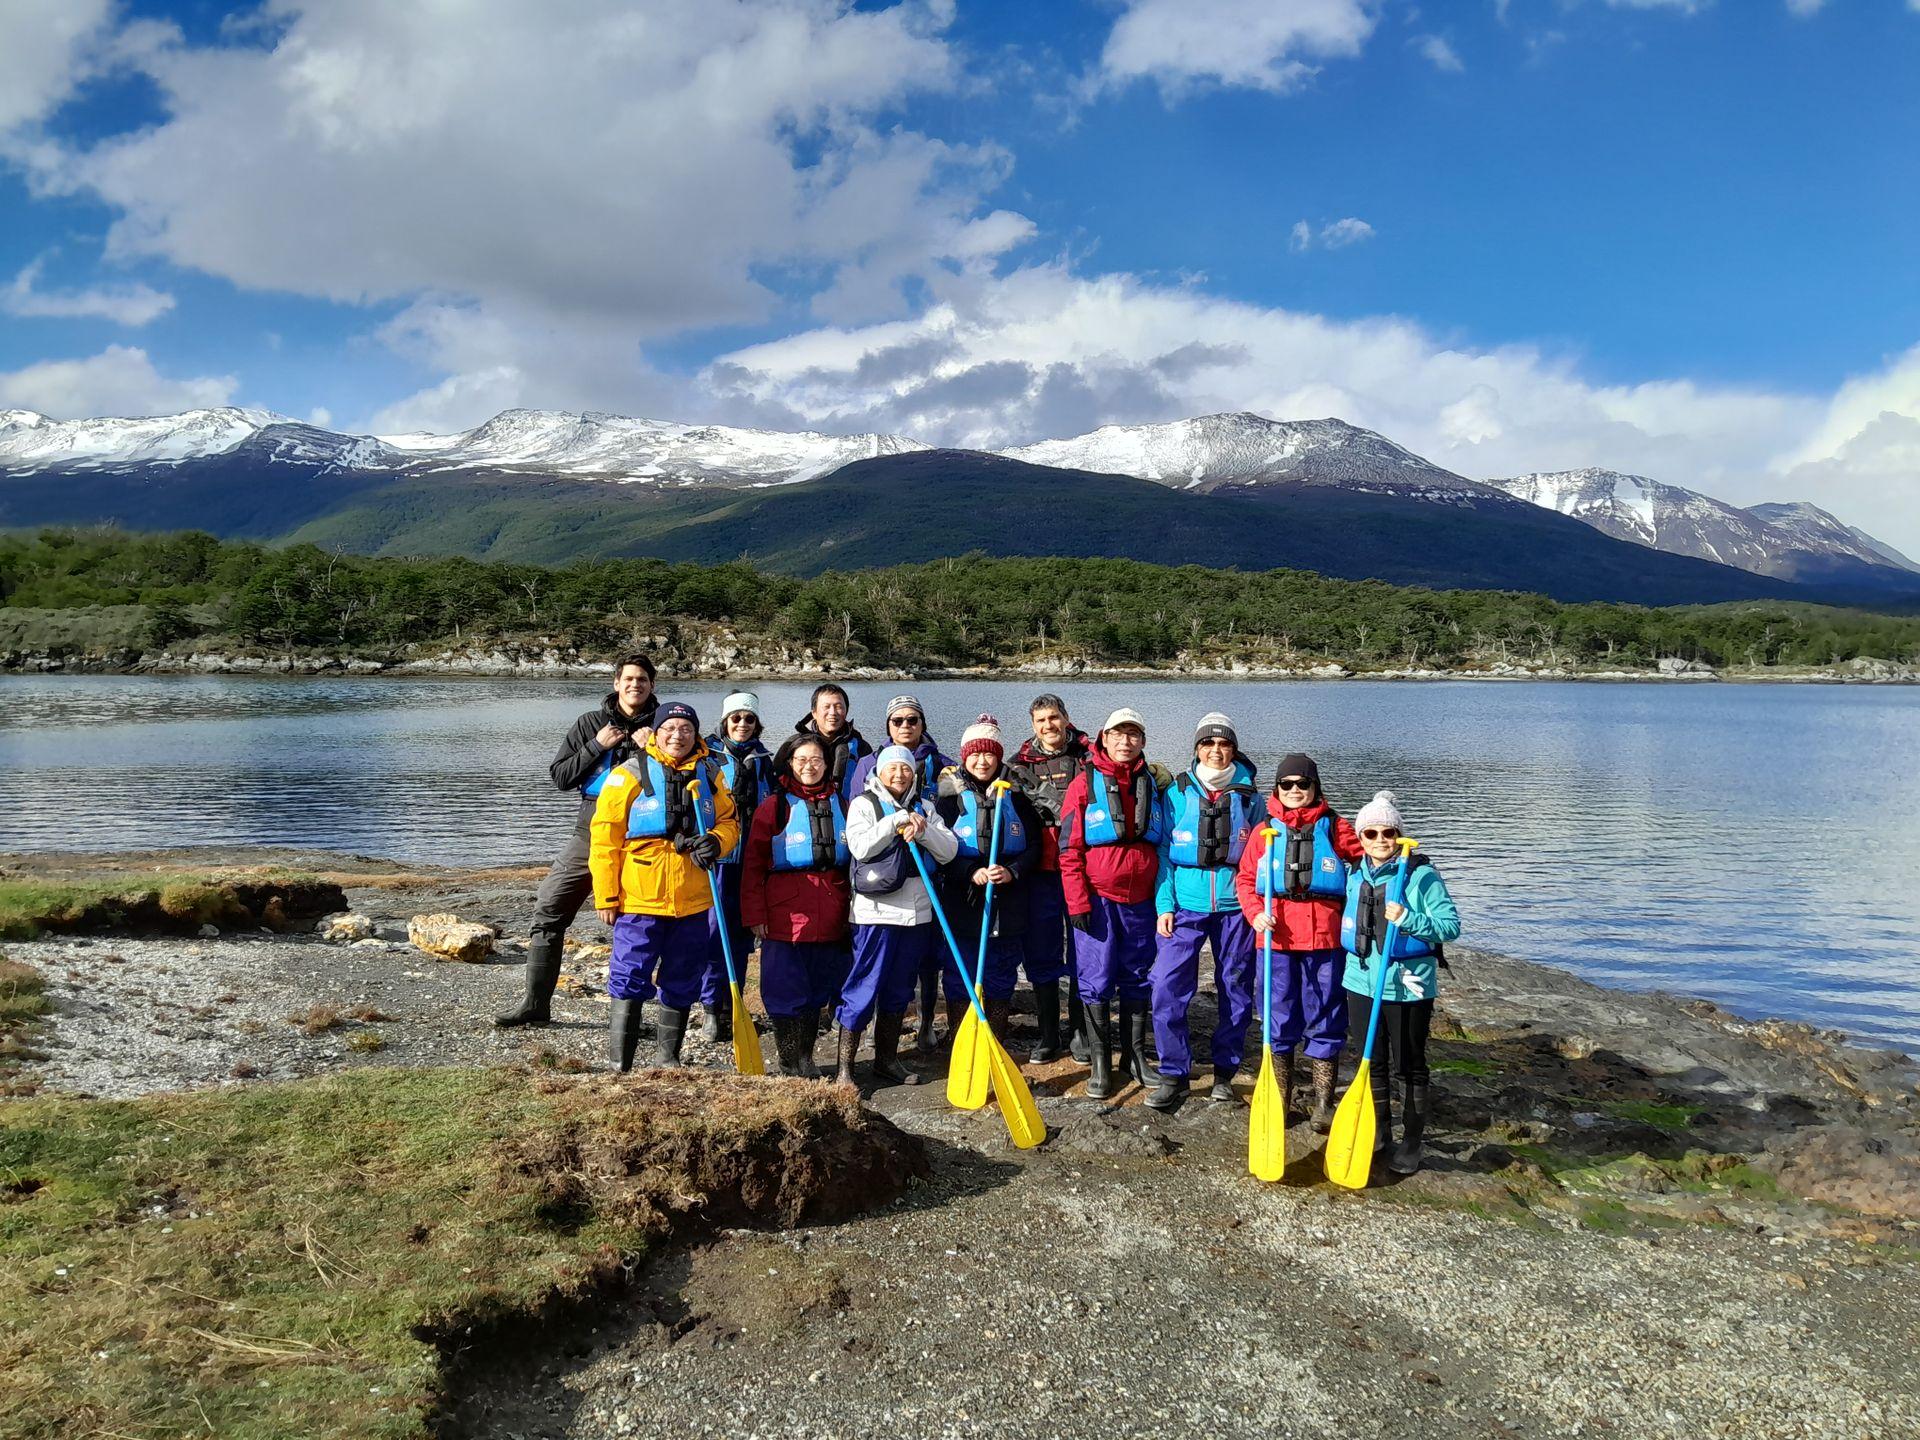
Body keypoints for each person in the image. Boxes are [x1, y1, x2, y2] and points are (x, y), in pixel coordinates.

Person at [499, 653, 659, 1028]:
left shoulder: (664, 725)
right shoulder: (590, 723)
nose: (635, 685)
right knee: (549, 910)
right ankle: (535, 1005)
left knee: (640, 924)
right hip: (590, 831)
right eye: (629, 679)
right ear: (616, 683)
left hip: (643, 836)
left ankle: (631, 1018)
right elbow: (560, 777)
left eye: (643, 680)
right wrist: (596, 746)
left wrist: (652, 748)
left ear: (653, 685)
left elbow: (684, 777)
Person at [589, 702, 738, 1070]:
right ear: (656, 732)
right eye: (669, 728)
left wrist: (718, 841)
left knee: (683, 976)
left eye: (685, 729)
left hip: (692, 899)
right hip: (640, 898)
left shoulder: (711, 775)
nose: (678, 735)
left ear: (695, 733)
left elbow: (731, 822)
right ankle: (618, 1062)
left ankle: (667, 1058)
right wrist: (606, 896)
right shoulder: (629, 774)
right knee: (629, 975)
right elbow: (604, 840)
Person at [1235, 753, 1364, 1132]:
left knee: (1326, 1014)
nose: (1294, 790)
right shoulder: (1264, 832)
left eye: (1302, 784)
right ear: (1276, 788)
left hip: (1325, 938)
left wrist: (1407, 859)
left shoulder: (1335, 827)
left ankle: (1324, 1102)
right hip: (1276, 939)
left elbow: (1368, 855)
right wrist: (1255, 913)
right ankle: (1280, 1098)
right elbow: (1245, 881)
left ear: (1314, 787)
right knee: (1279, 1016)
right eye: (1286, 784)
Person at [1339, 791, 1460, 1175]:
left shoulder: (1421, 875)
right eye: (1370, 834)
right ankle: (1380, 1131)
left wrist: (1408, 918)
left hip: (1408, 986)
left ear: (1399, 833)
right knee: (1369, 1060)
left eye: (1387, 832)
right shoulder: (1355, 873)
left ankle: (1412, 1140)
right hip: (1360, 982)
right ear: (1360, 839)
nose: (1379, 841)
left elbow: (1450, 926)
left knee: (1409, 1064)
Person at [1146, 713, 1262, 1111]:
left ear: (1234, 748)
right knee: (1165, 986)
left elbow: (1265, 855)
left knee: (1235, 986)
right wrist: (1164, 904)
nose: (1216, 750)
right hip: (1185, 905)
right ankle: (1173, 1072)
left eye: (1224, 743)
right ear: (1196, 749)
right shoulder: (1177, 792)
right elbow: (1163, 852)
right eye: (1207, 744)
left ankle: (1225, 1073)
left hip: (1235, 909)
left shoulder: (1250, 797)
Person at [1058, 707, 1166, 1099]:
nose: (1126, 741)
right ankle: (1101, 1062)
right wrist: (1077, 902)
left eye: (1134, 734)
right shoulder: (1084, 785)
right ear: (1103, 738)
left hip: (1141, 900)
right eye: (1118, 734)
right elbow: (1068, 850)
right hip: (1098, 900)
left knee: (1138, 974)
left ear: (1142, 741)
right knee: (1095, 977)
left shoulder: (1154, 783)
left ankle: (1134, 1057)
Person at [838, 744, 960, 1088]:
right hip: (875, 914)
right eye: (892, 768)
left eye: (905, 769)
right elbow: (859, 847)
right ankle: (845, 1069)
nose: (899, 774)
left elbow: (949, 851)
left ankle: (886, 1061)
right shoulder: (864, 804)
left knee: (899, 990)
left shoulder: (925, 807)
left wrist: (924, 830)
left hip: (916, 914)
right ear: (879, 771)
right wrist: (895, 821)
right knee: (864, 986)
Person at [740, 732, 853, 1078]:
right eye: (801, 760)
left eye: (816, 760)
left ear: (827, 764)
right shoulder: (775, 806)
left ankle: (806, 1058)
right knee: (784, 988)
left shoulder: (843, 803)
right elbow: (754, 866)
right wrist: (755, 915)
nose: (809, 766)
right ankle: (789, 1061)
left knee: (818, 989)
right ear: (789, 763)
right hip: (785, 914)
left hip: (831, 908)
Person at [933, 715, 1044, 1048]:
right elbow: (939, 853)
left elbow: (1035, 846)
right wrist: (969, 872)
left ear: (999, 756)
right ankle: (960, 1043)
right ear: (965, 757)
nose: (982, 761)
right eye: (974, 755)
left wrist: (1012, 871)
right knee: (959, 976)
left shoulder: (1018, 798)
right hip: (964, 900)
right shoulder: (949, 801)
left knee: (1000, 976)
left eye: (989, 754)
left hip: (1007, 903)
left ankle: (994, 1041)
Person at [1008, 693, 1092, 1063]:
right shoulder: (1016, 766)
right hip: (1039, 873)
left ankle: (1079, 1030)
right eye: (1041, 720)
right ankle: (1047, 1033)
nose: (1049, 726)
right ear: (1032, 725)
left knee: (1082, 950)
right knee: (1042, 952)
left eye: (1054, 718)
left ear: (1066, 718)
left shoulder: (1090, 758)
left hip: (1082, 871)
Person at [699, 691, 774, 1043]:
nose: (742, 725)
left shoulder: (764, 761)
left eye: (748, 719)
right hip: (720, 862)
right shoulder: (708, 756)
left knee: (743, 939)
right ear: (725, 722)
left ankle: (735, 1006)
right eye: (736, 719)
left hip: (750, 862)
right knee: (716, 937)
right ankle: (711, 1009)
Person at [791, 682, 870, 806]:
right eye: (826, 707)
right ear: (814, 713)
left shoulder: (861, 748)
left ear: (846, 711)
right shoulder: (795, 745)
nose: (832, 712)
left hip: (850, 815)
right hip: (805, 813)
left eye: (839, 707)